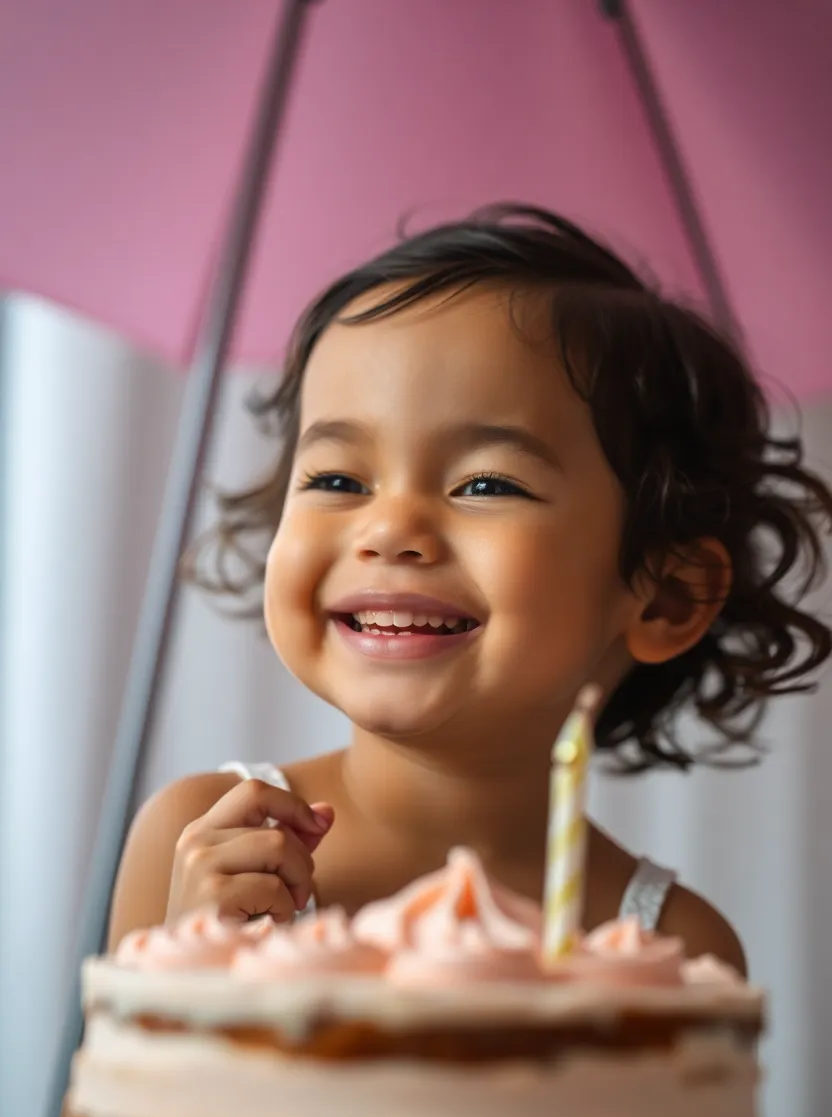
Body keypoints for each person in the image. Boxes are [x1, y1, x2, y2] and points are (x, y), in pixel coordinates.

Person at [107, 204, 832, 974]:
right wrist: (187, 966)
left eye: (487, 483)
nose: (388, 529)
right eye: (339, 477)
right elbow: (104, 1099)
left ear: (667, 597)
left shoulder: (669, 950)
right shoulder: (203, 841)